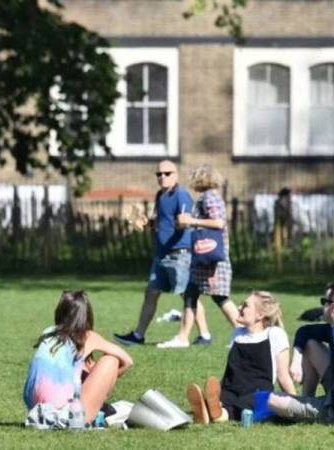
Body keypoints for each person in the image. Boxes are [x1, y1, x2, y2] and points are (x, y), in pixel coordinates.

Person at [115, 160, 207, 346]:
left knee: (188, 294)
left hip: (179, 254)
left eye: (167, 173)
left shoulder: (181, 195)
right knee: (151, 292)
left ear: (176, 174)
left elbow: (185, 221)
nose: (162, 177)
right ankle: (138, 335)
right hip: (162, 254)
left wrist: (183, 222)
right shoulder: (160, 195)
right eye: (159, 174)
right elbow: (160, 222)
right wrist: (146, 222)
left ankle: (203, 335)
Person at [159, 164, 239, 348]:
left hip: (212, 258)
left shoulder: (210, 197)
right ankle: (183, 337)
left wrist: (191, 220)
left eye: (194, 177)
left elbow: (218, 223)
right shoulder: (206, 197)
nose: (191, 181)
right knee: (191, 294)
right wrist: (185, 223)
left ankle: (242, 333)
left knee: (220, 296)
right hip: (203, 257)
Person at [24, 290, 133, 424]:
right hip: (67, 416)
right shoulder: (86, 336)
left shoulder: (48, 332)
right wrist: (106, 382)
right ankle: (97, 411)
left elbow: (83, 370)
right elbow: (128, 361)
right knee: (110, 361)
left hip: (37, 411)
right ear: (86, 316)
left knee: (85, 371)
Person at [186, 291, 295, 424]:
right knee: (227, 401)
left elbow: (283, 376)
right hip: (230, 390)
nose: (238, 308)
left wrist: (296, 405)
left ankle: (212, 412)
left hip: (257, 393)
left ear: (259, 315)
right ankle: (211, 408)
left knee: (248, 404)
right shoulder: (237, 333)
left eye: (245, 305)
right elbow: (232, 371)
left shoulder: (274, 334)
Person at [267, 283, 334, 425]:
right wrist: (296, 359)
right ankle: (307, 399)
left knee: (270, 400)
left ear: (333, 307)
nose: (322, 307)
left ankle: (306, 410)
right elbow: (305, 331)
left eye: (324, 302)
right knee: (310, 343)